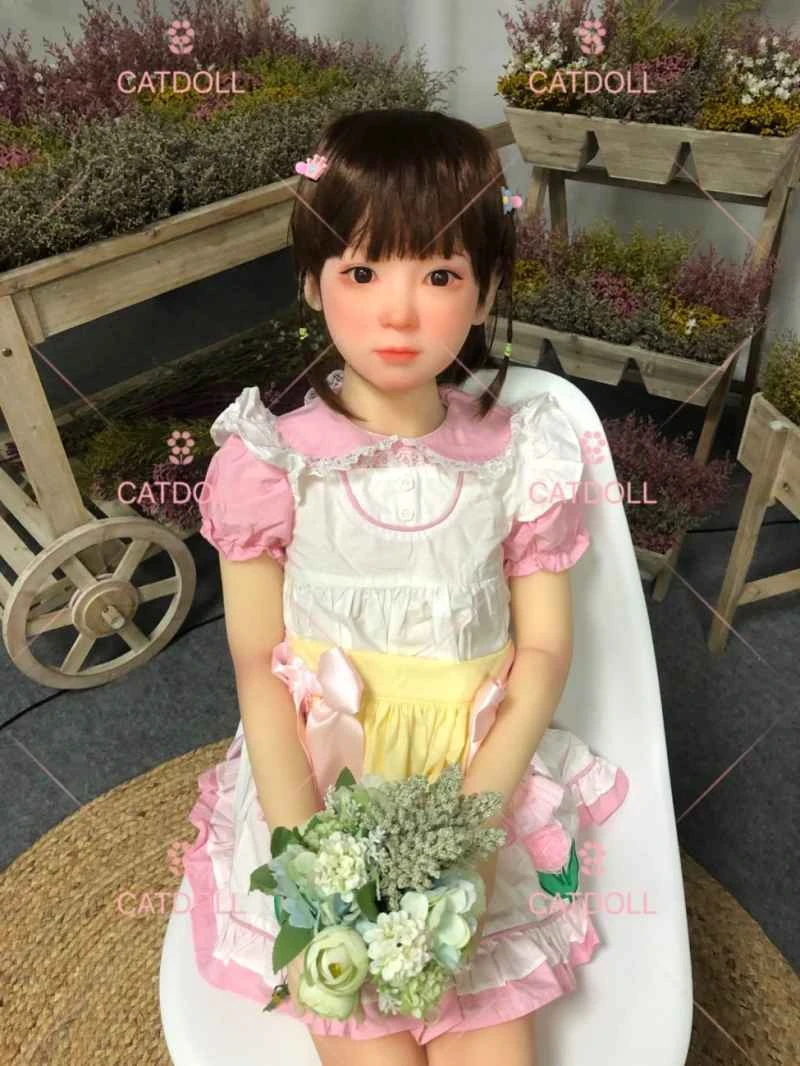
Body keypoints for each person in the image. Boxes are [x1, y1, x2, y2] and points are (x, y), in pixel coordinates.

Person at [183, 107, 629, 1066]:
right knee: (364, 1034)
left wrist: (474, 832)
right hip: (326, 789)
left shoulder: (520, 455)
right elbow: (259, 664)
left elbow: (545, 649)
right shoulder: (270, 462)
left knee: (495, 1042)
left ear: (485, 288)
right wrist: (304, 853)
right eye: (362, 272)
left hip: (473, 784)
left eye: (438, 274)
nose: (399, 312)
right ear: (313, 281)